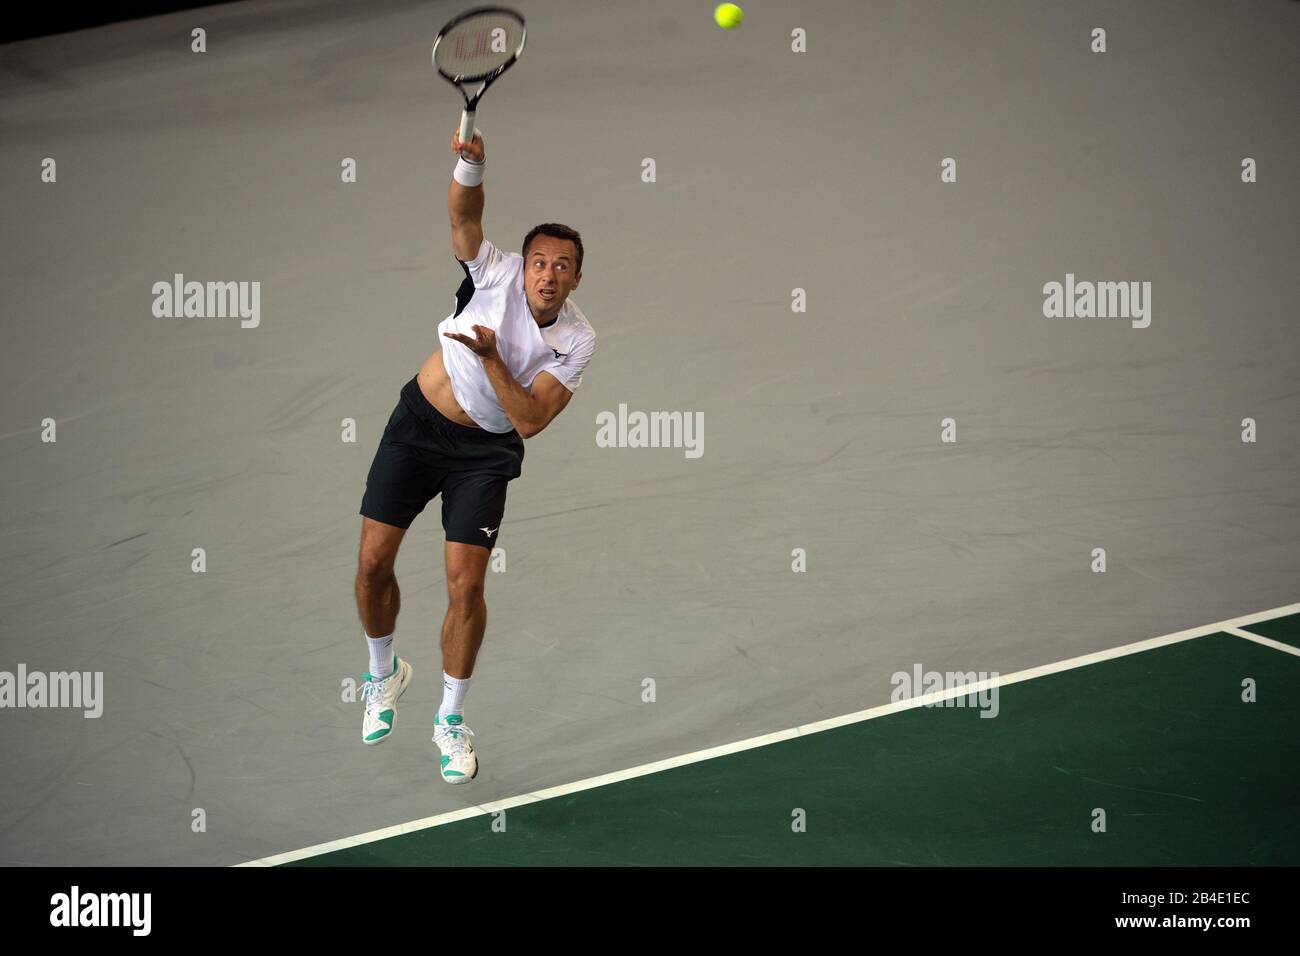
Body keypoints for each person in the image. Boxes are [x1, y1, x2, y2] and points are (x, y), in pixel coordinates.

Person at [353, 127, 596, 784]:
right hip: (417, 427)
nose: (549, 274)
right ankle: (383, 675)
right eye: (540, 261)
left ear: (577, 278)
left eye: (563, 266)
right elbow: (465, 216)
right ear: (525, 265)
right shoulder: (491, 271)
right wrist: (473, 163)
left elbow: (530, 420)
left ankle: (450, 719)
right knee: (373, 564)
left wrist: (489, 357)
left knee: (467, 586)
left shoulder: (577, 340)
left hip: (484, 456)